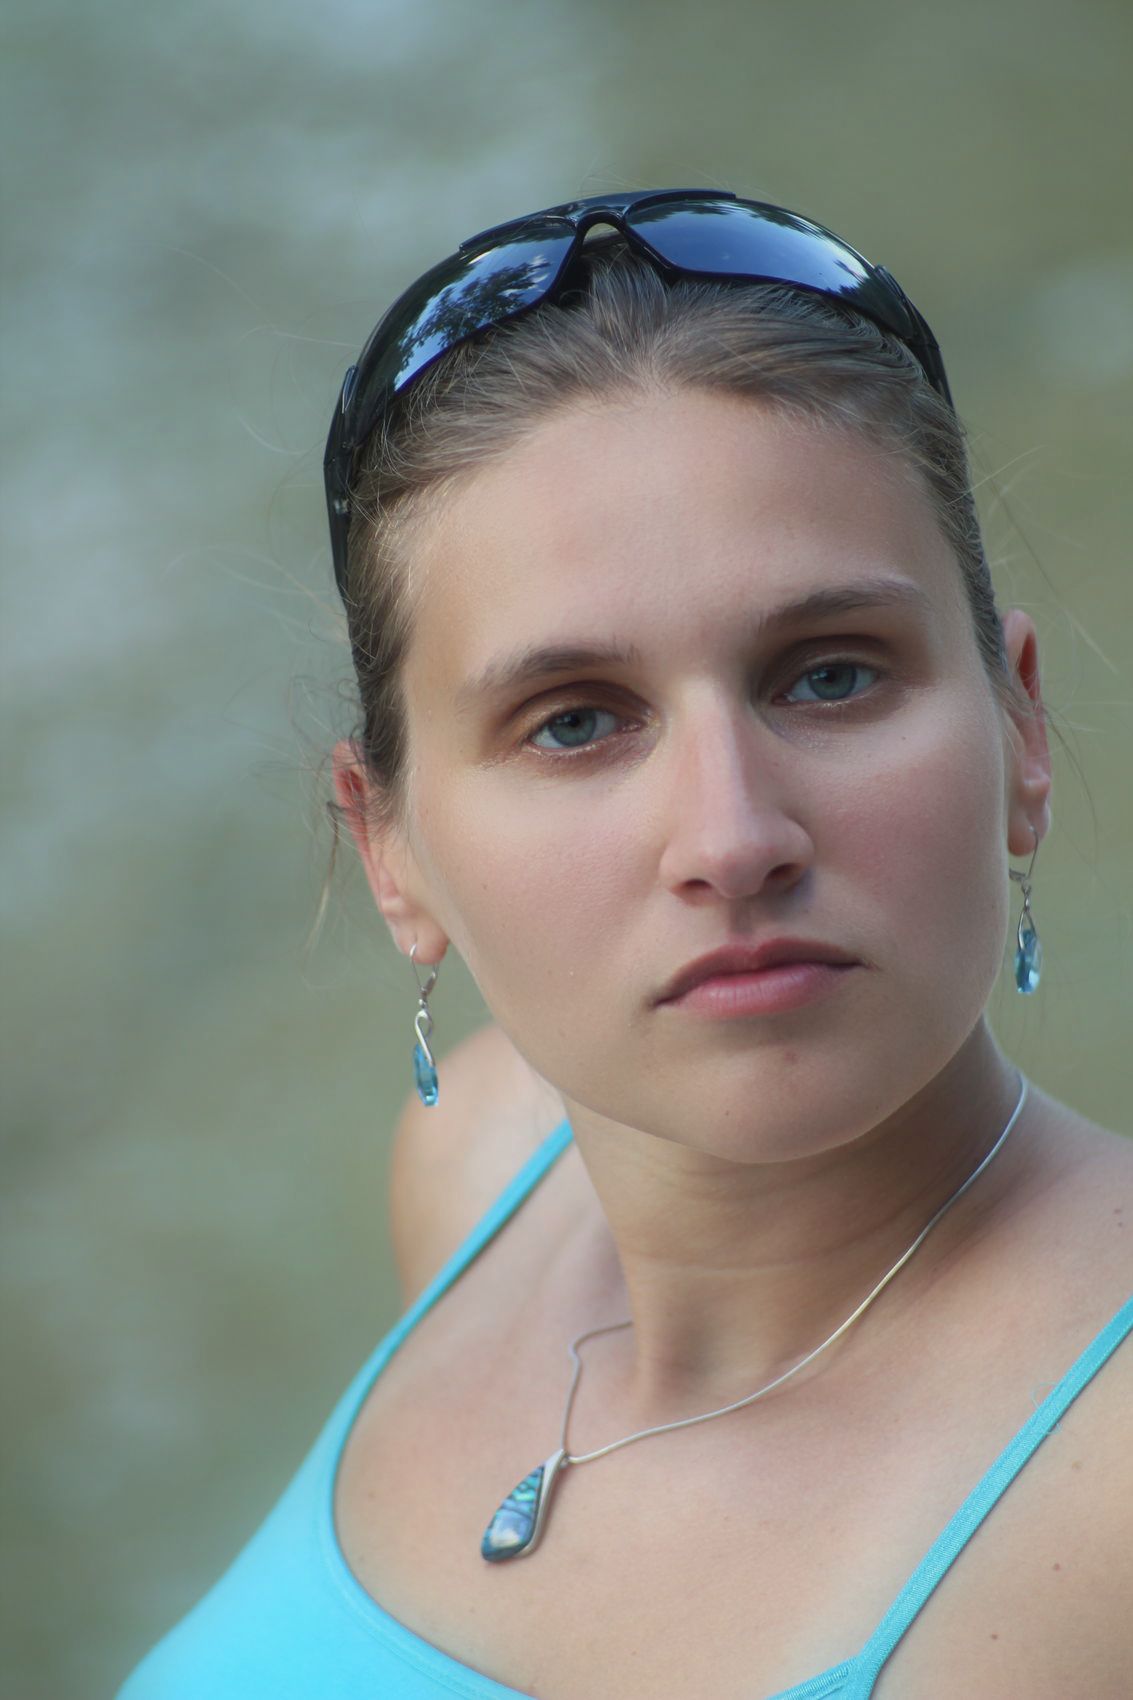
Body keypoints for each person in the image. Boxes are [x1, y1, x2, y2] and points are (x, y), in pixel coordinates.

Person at [116, 190, 1131, 1699]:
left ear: (1020, 727)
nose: (730, 836)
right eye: (574, 721)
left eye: (830, 676)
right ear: (387, 846)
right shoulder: (479, 1172)